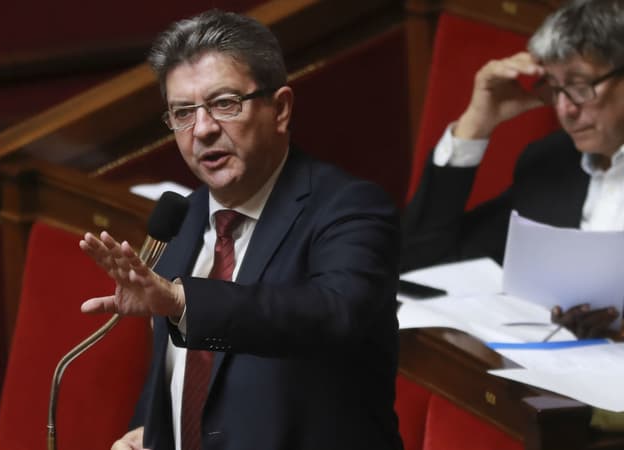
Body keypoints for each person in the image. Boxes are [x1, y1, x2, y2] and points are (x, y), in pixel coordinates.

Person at [78, 9, 402, 450]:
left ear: (280, 108)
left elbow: (332, 314)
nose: (204, 129)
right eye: (183, 112)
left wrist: (181, 300)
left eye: (224, 103)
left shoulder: (349, 208)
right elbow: (176, 373)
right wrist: (150, 434)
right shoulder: (185, 216)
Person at [402, 0, 623, 338]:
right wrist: (476, 125)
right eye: (554, 87)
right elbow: (424, 264)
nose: (564, 109)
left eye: (579, 87)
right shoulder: (550, 164)